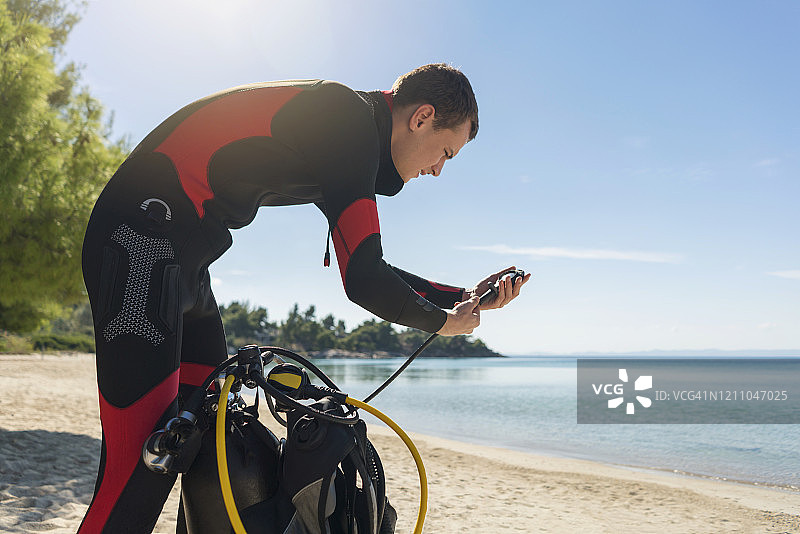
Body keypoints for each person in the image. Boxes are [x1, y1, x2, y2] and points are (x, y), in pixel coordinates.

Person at [78, 63, 530, 533]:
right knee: (144, 463)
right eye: (446, 152)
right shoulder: (344, 118)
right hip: (139, 244)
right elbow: (364, 279)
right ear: (422, 118)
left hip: (184, 265)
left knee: (211, 442)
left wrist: (464, 297)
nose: (437, 169)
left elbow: (367, 261)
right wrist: (444, 323)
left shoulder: (345, 135)